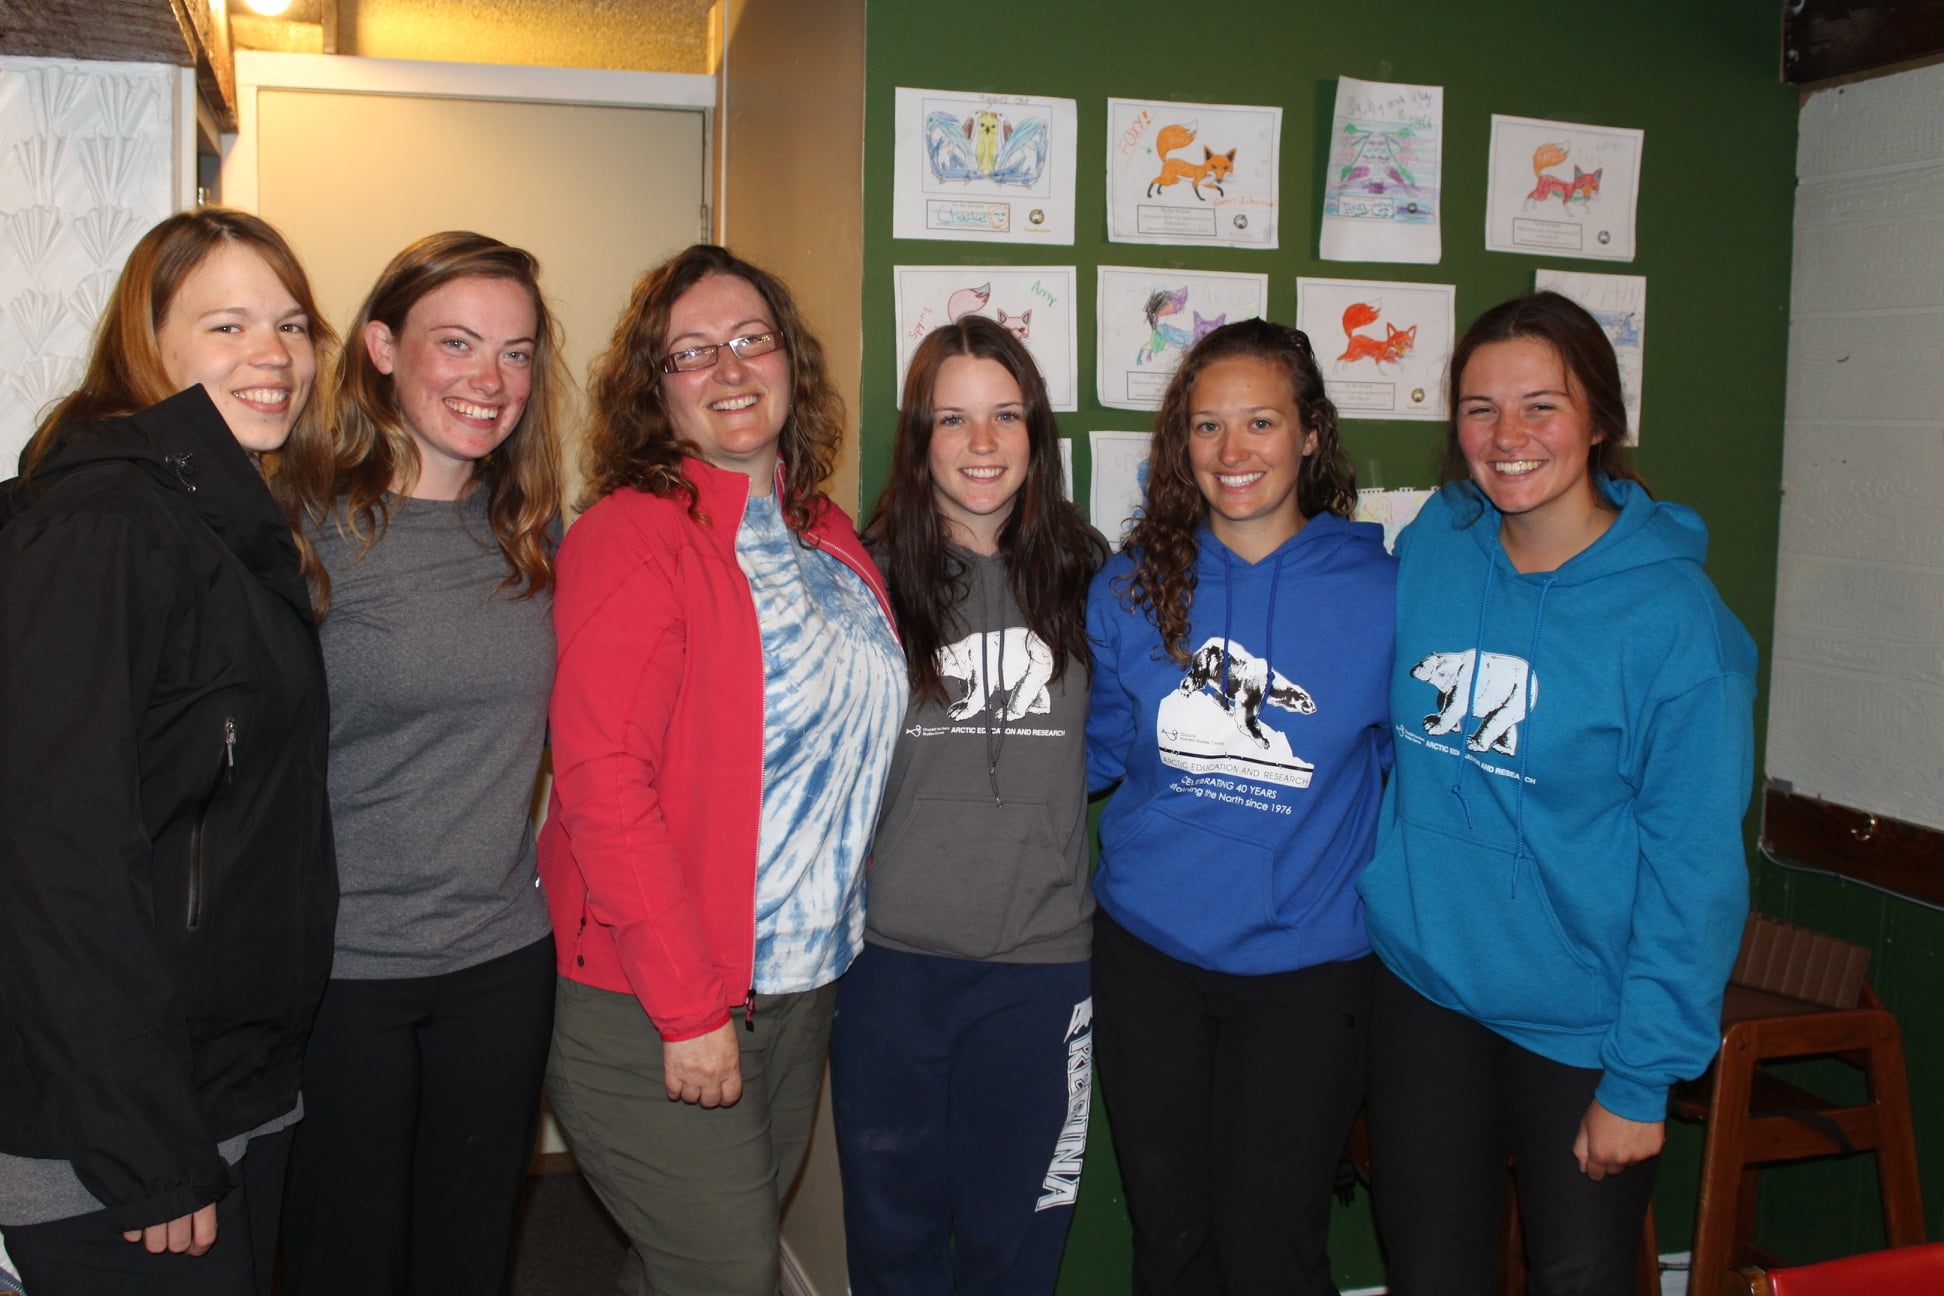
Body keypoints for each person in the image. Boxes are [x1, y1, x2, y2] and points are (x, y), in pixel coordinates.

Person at [1358, 291, 1755, 1295]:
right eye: (1480, 409)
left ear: (1602, 419)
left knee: (1580, 1277)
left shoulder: (1677, 625)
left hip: (1583, 1024)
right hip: (1424, 993)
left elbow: (1696, 875)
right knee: (1429, 1275)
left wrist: (1642, 1076)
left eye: (1542, 405)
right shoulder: (1437, 546)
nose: (1508, 437)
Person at [540, 244, 908, 1295]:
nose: (731, 369)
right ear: (654, 390)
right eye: (693, 352)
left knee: (690, 1269)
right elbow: (603, 785)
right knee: (729, 1273)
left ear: (792, 360)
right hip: (654, 991)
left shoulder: (827, 536)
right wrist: (687, 1009)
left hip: (798, 983)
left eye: (752, 339)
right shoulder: (632, 537)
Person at [0, 209, 337, 1293]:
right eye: (227, 325)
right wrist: (149, 1156)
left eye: (291, 325)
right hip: (122, 1140)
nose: (273, 356)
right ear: (146, 345)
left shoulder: (221, 515)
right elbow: (57, 863)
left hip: (221, 1088)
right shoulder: (105, 526)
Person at [276, 232, 564, 1294]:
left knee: (468, 1256)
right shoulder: (303, 532)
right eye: (458, 343)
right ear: (383, 347)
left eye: (517, 352)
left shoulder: (536, 532)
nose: (491, 380)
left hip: (500, 962)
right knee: (346, 1260)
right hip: (344, 971)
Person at [1085, 319, 1396, 1295]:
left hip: (1307, 974)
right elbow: (1095, 751)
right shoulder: (1130, 586)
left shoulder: (1386, 593)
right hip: (1148, 961)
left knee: (1273, 1249)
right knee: (1170, 1240)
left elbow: (1413, 769)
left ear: (1311, 434)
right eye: (1207, 425)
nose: (1232, 451)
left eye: (1260, 422)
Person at [830, 316, 1108, 1295]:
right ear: (920, 437)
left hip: (1040, 969)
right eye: (953, 418)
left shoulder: (1093, 580)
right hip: (888, 966)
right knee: (892, 1237)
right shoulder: (861, 582)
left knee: (1017, 1241)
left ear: (1037, 433)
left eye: (1005, 416)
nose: (982, 443)